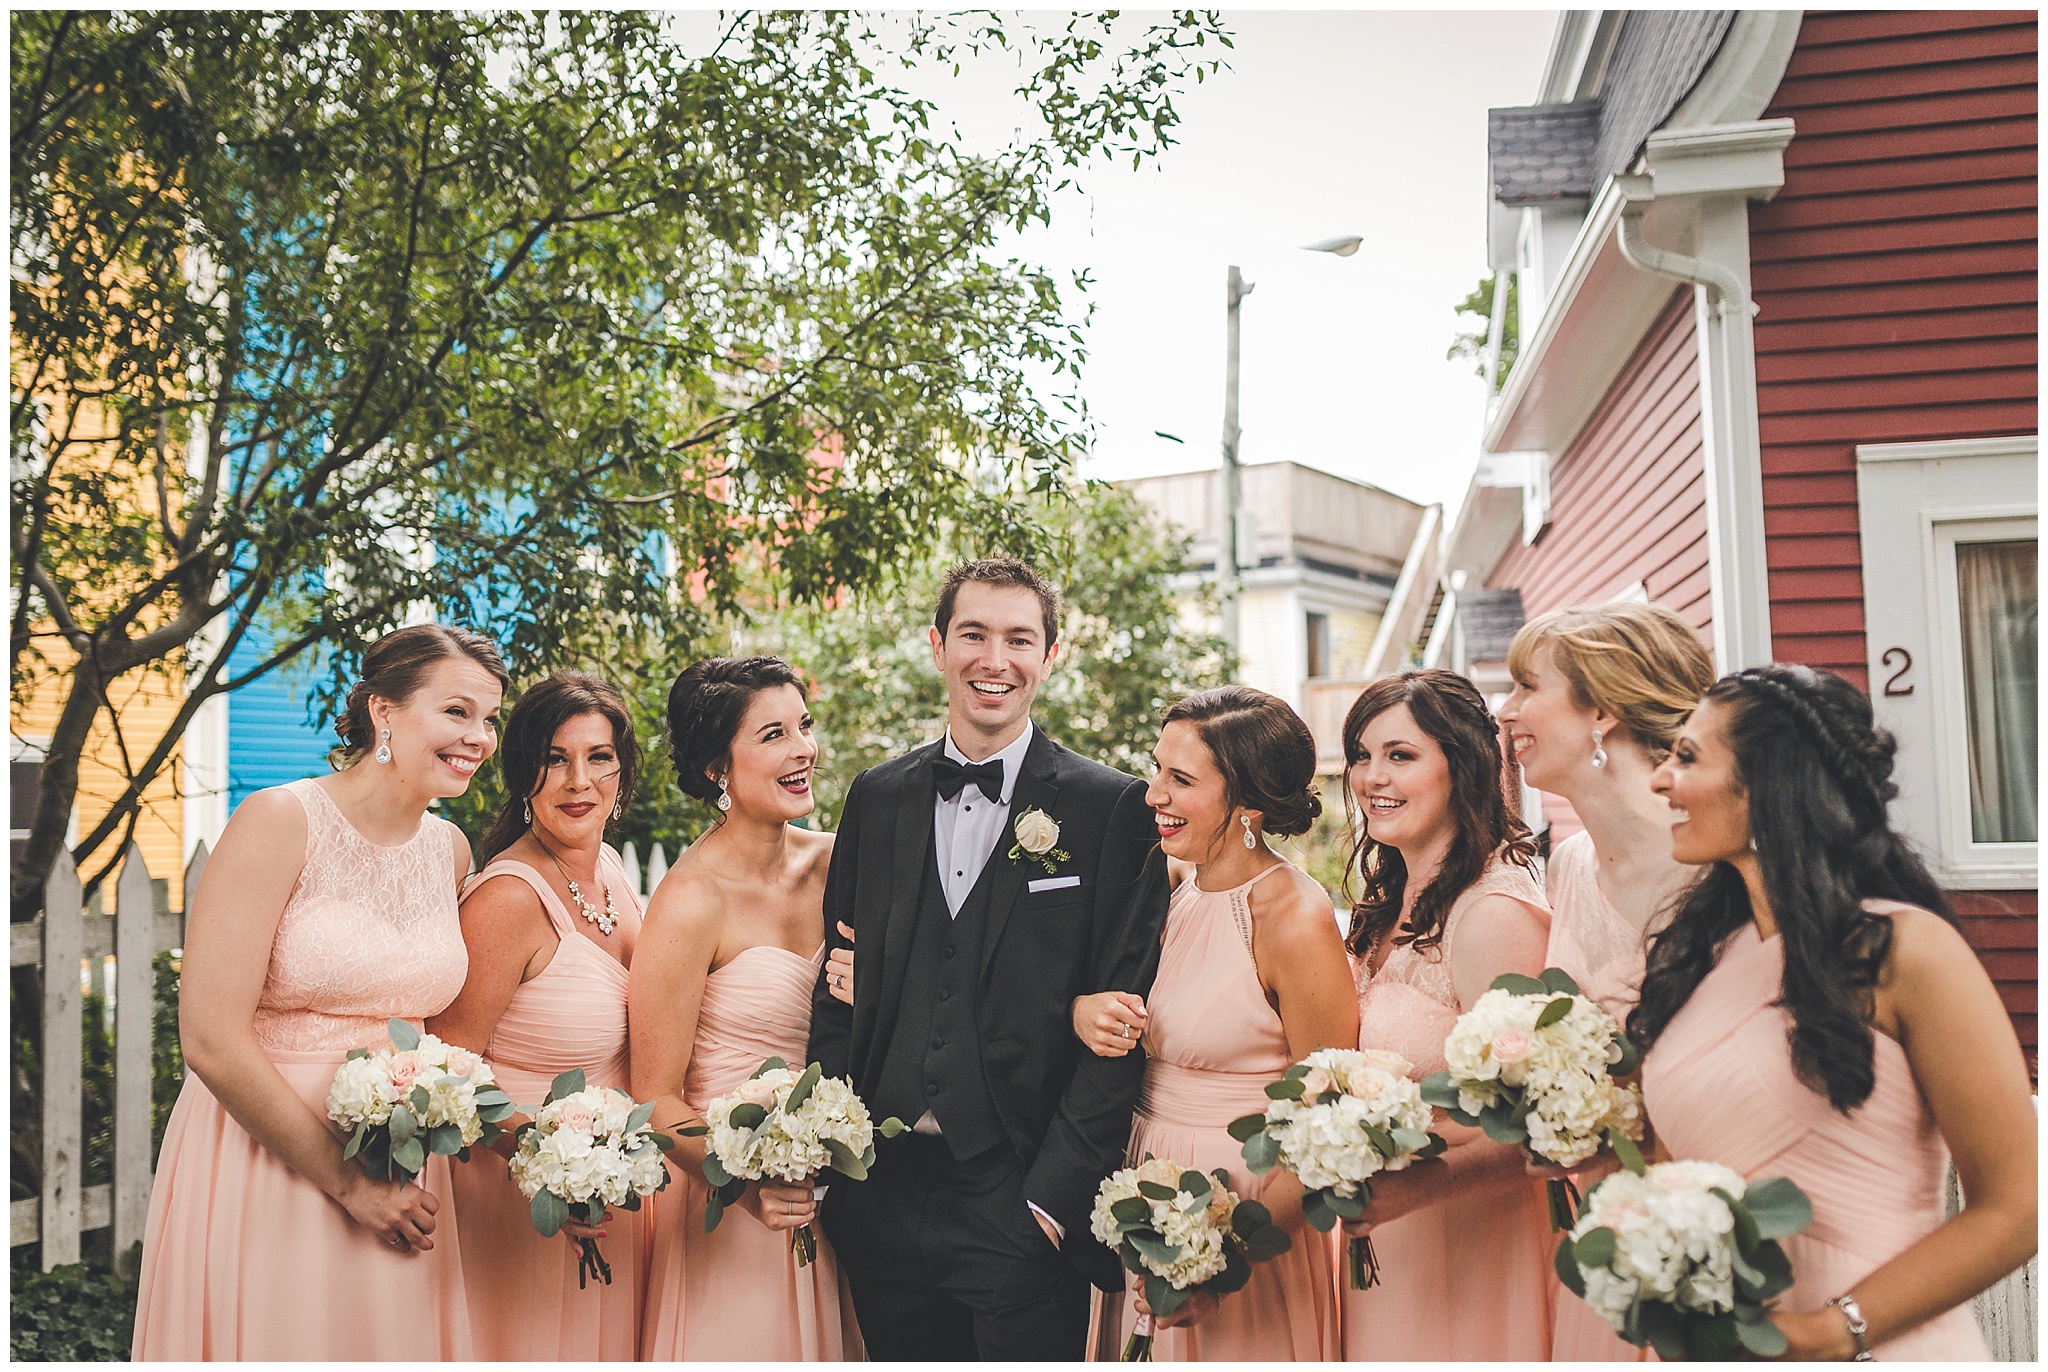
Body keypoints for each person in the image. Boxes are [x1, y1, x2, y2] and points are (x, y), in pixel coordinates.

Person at [807, 557, 1171, 1360]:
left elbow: (1123, 1017)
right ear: (938, 645)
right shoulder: (876, 795)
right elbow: (838, 987)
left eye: (1019, 639)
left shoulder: (1110, 807)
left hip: (1020, 1197)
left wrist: (1052, 1200)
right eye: (973, 634)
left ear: (1051, 655)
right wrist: (833, 1174)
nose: (993, 660)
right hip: (882, 1196)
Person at [1634, 664, 2036, 1359]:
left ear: (1769, 783)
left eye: (1687, 757)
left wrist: (1831, 1329)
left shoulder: (1907, 950)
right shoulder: (1698, 962)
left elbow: (2019, 1208)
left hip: (1882, 1344)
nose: (1660, 779)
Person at [132, 624, 509, 1360]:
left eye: (490, 718)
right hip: (268, 1157)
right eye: (458, 712)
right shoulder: (280, 820)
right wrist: (349, 1184)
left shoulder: (451, 849)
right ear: (385, 711)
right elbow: (210, 1037)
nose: (480, 737)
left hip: (403, 1162)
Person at [1075, 687, 1355, 1360]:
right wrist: (1083, 1010)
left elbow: (1330, 1124)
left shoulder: (1293, 917)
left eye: (1181, 780)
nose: (1152, 795)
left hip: (1240, 1208)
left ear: (1249, 801)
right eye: (1156, 770)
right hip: (1142, 1181)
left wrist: (1222, 1252)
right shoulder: (1171, 885)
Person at [1497, 603, 1714, 1360]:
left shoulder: (1714, 868)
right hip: (1607, 1230)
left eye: (1528, 687)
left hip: (1711, 1238)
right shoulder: (1571, 866)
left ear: (1604, 710)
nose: (1507, 710)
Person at [631, 656, 862, 1360]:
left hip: (844, 1206)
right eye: (772, 735)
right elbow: (655, 1098)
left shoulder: (840, 864)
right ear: (715, 769)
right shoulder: (691, 900)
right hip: (732, 1212)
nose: (803, 750)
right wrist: (747, 1175)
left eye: (804, 726)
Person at [1335, 669, 1557, 1361]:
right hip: (1388, 1246)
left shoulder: (1492, 915)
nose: (1373, 776)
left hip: (1472, 1245)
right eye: (1362, 755)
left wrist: (1414, 1186)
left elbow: (1546, 1125)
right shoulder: (1385, 900)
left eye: (1400, 756)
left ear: (1460, 768)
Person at [428, 671, 647, 1360]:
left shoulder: (610, 869)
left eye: (599, 757)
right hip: (520, 1201)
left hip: (610, 1197)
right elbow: (448, 1069)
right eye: (555, 759)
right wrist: (552, 1165)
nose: (578, 781)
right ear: (523, 770)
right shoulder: (507, 901)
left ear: (622, 770)